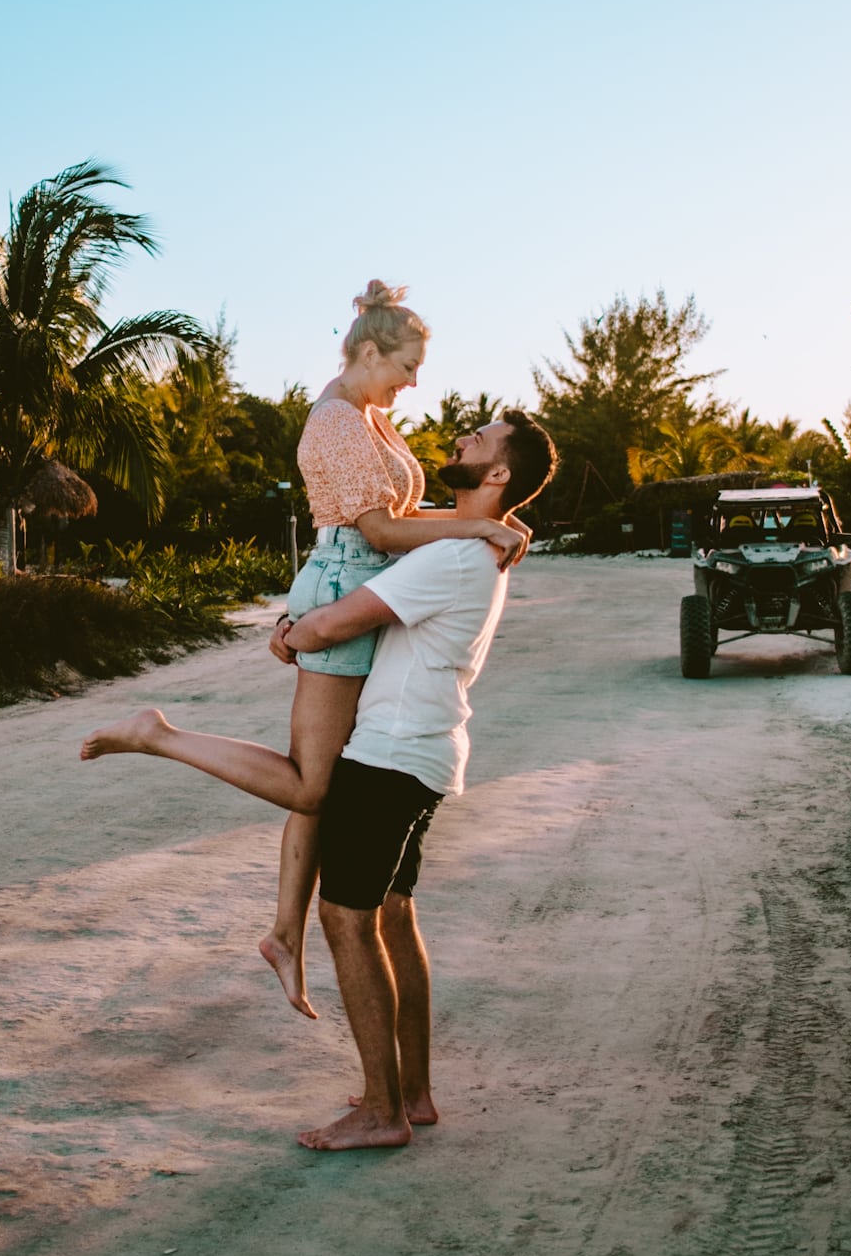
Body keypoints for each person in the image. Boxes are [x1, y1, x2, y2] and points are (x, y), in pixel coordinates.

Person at [81, 411, 558, 1151]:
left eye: (480, 439)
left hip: (391, 754)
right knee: (392, 915)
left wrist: (290, 633)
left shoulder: (455, 557)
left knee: (345, 919)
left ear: (498, 476)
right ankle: (414, 1094)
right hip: (427, 752)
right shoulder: (470, 547)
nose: (462, 438)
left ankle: (380, 1112)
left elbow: (335, 625)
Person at [85, 281, 529, 1022]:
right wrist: (478, 529)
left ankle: (284, 933)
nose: (415, 381)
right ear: (366, 351)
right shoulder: (335, 422)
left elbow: (393, 520)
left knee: (324, 778)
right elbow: (379, 533)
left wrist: (487, 524)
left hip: (349, 591)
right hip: (341, 588)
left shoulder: (366, 415)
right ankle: (155, 735)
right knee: (311, 787)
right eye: (407, 364)